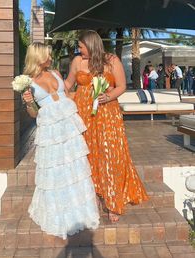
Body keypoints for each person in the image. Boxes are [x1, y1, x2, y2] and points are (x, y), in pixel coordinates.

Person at [65, 30, 148, 222]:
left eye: (81, 46)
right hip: (83, 115)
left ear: (91, 44)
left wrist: (108, 96)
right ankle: (92, 196)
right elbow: (68, 84)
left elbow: (121, 86)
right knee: (89, 155)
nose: (79, 50)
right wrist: (49, 88)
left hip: (107, 114)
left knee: (109, 155)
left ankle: (113, 201)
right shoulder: (77, 62)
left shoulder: (111, 60)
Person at [22, 42, 99, 239]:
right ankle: (58, 214)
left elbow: (69, 93)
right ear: (38, 57)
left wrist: (92, 96)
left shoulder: (55, 72)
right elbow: (32, 114)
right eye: (48, 55)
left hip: (68, 124)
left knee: (74, 165)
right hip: (50, 129)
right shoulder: (27, 82)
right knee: (55, 168)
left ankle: (79, 210)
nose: (51, 58)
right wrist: (29, 101)